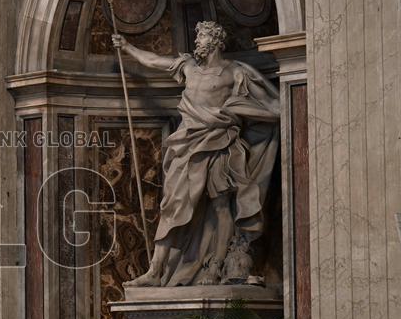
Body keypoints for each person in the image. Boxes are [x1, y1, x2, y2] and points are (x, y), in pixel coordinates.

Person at [110, 20, 280, 287]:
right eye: (198, 37)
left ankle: (214, 267)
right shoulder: (189, 67)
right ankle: (155, 270)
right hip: (188, 145)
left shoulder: (234, 73)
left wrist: (237, 111)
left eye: (200, 38)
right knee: (172, 206)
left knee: (221, 207)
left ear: (214, 41)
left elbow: (274, 109)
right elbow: (154, 60)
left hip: (219, 143)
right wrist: (128, 47)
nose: (197, 42)